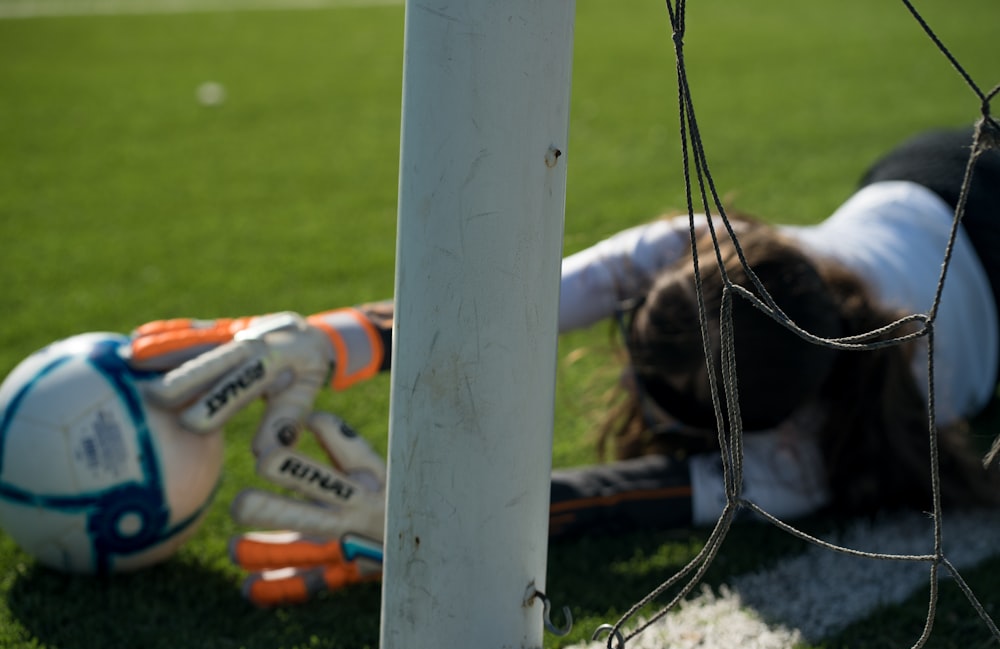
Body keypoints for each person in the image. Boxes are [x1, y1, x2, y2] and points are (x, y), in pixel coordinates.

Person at [130, 124, 1000, 604]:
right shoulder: (697, 254)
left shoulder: (811, 459)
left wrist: (430, 520)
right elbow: (515, 304)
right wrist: (331, 337)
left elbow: (621, 499)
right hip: (937, 171)